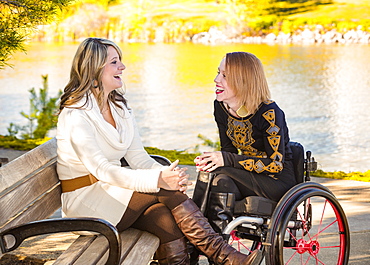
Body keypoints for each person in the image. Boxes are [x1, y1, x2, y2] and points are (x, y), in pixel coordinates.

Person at [56, 38, 262, 265]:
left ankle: (212, 257)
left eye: (120, 61)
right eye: (114, 62)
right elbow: (102, 169)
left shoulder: (119, 107)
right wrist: (159, 180)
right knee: (165, 192)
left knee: (165, 221)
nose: (122, 67)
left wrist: (166, 173)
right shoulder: (76, 114)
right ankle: (226, 256)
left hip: (112, 193)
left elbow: (138, 157)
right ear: (94, 68)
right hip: (86, 200)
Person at [193, 52, 296, 243]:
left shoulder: (269, 113)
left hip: (277, 182)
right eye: (218, 73)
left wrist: (225, 160)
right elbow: (228, 151)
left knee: (220, 170)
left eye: (224, 75)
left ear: (243, 80)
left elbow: (276, 165)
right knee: (220, 178)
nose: (216, 79)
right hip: (248, 178)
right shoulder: (221, 107)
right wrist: (212, 160)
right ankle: (216, 249)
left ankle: (193, 238)